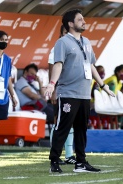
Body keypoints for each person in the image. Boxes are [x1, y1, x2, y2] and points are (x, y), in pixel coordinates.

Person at [44, 9, 114, 173]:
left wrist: (103, 85)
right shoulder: (62, 42)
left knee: (82, 130)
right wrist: (52, 83)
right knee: (63, 128)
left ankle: (80, 163)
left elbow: (91, 65)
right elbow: (58, 64)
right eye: (80, 19)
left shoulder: (87, 42)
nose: (84, 22)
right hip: (68, 93)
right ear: (70, 24)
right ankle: (54, 162)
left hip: (84, 94)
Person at [48, 25, 76, 165]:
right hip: (60, 90)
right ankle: (55, 153)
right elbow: (52, 69)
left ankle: (69, 155)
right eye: (65, 32)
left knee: (69, 122)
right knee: (58, 122)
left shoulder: (75, 46)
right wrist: (53, 90)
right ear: (61, 33)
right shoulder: (56, 49)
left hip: (72, 91)